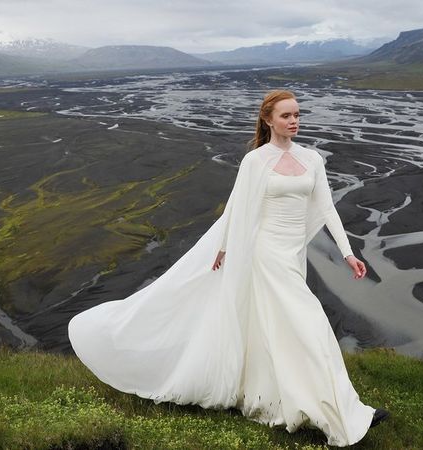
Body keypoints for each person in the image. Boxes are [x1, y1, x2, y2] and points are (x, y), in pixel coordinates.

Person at [68, 89, 389, 447]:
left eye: (297, 114)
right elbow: (237, 207)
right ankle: (342, 417)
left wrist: (347, 254)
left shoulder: (312, 159)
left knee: (279, 329)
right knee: (310, 323)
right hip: (264, 253)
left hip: (292, 254)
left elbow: (327, 209)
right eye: (286, 116)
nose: (294, 121)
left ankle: (287, 399)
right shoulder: (255, 161)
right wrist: (224, 248)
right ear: (268, 120)